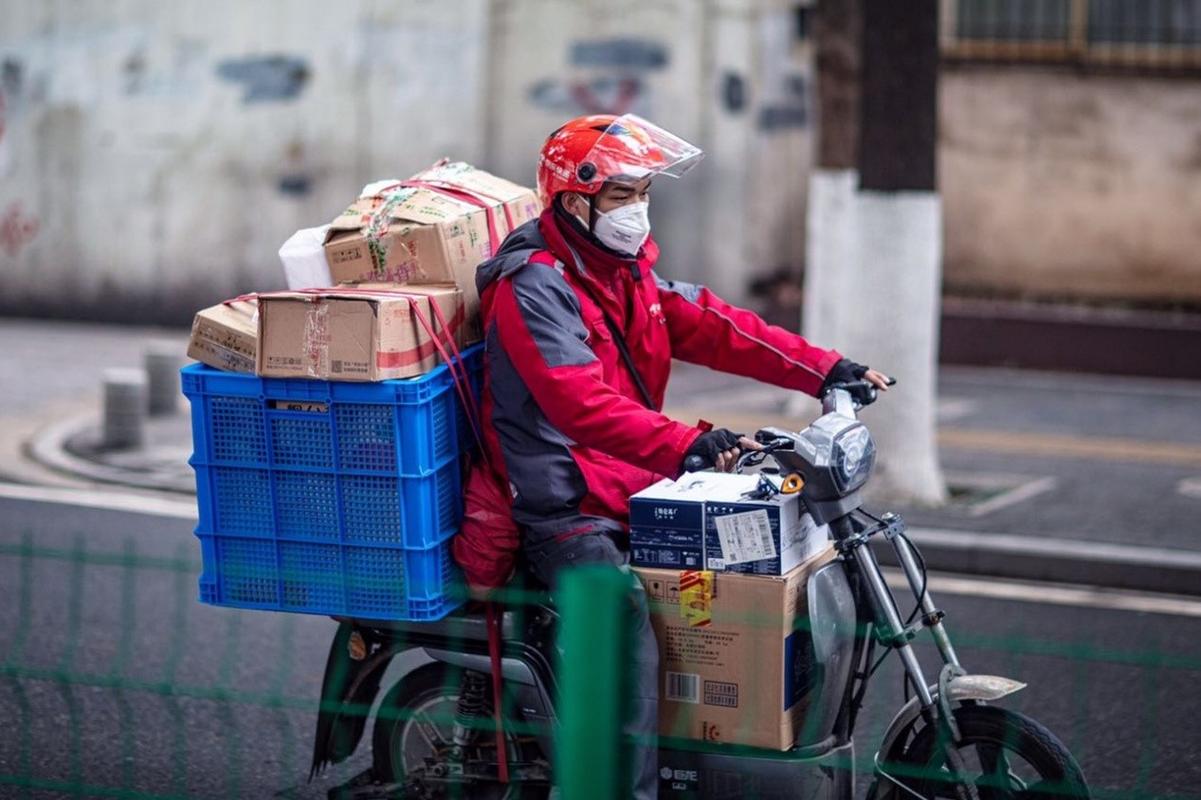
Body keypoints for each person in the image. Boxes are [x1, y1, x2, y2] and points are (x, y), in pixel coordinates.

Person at [451, 113, 889, 798]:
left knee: (744, 569)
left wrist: (826, 370)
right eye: (623, 195)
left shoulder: (621, 274)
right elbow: (578, 405)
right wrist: (688, 444)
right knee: (628, 622)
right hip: (562, 504)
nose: (638, 209)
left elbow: (718, 326)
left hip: (625, 480)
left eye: (644, 192)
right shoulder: (532, 287)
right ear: (575, 201)